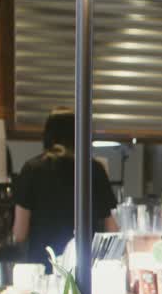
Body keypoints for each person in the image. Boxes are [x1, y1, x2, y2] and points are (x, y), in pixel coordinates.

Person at [12, 107, 119, 268]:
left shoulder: (32, 169)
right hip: (86, 272)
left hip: (43, 271)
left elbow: (19, 233)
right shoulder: (94, 169)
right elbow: (112, 229)